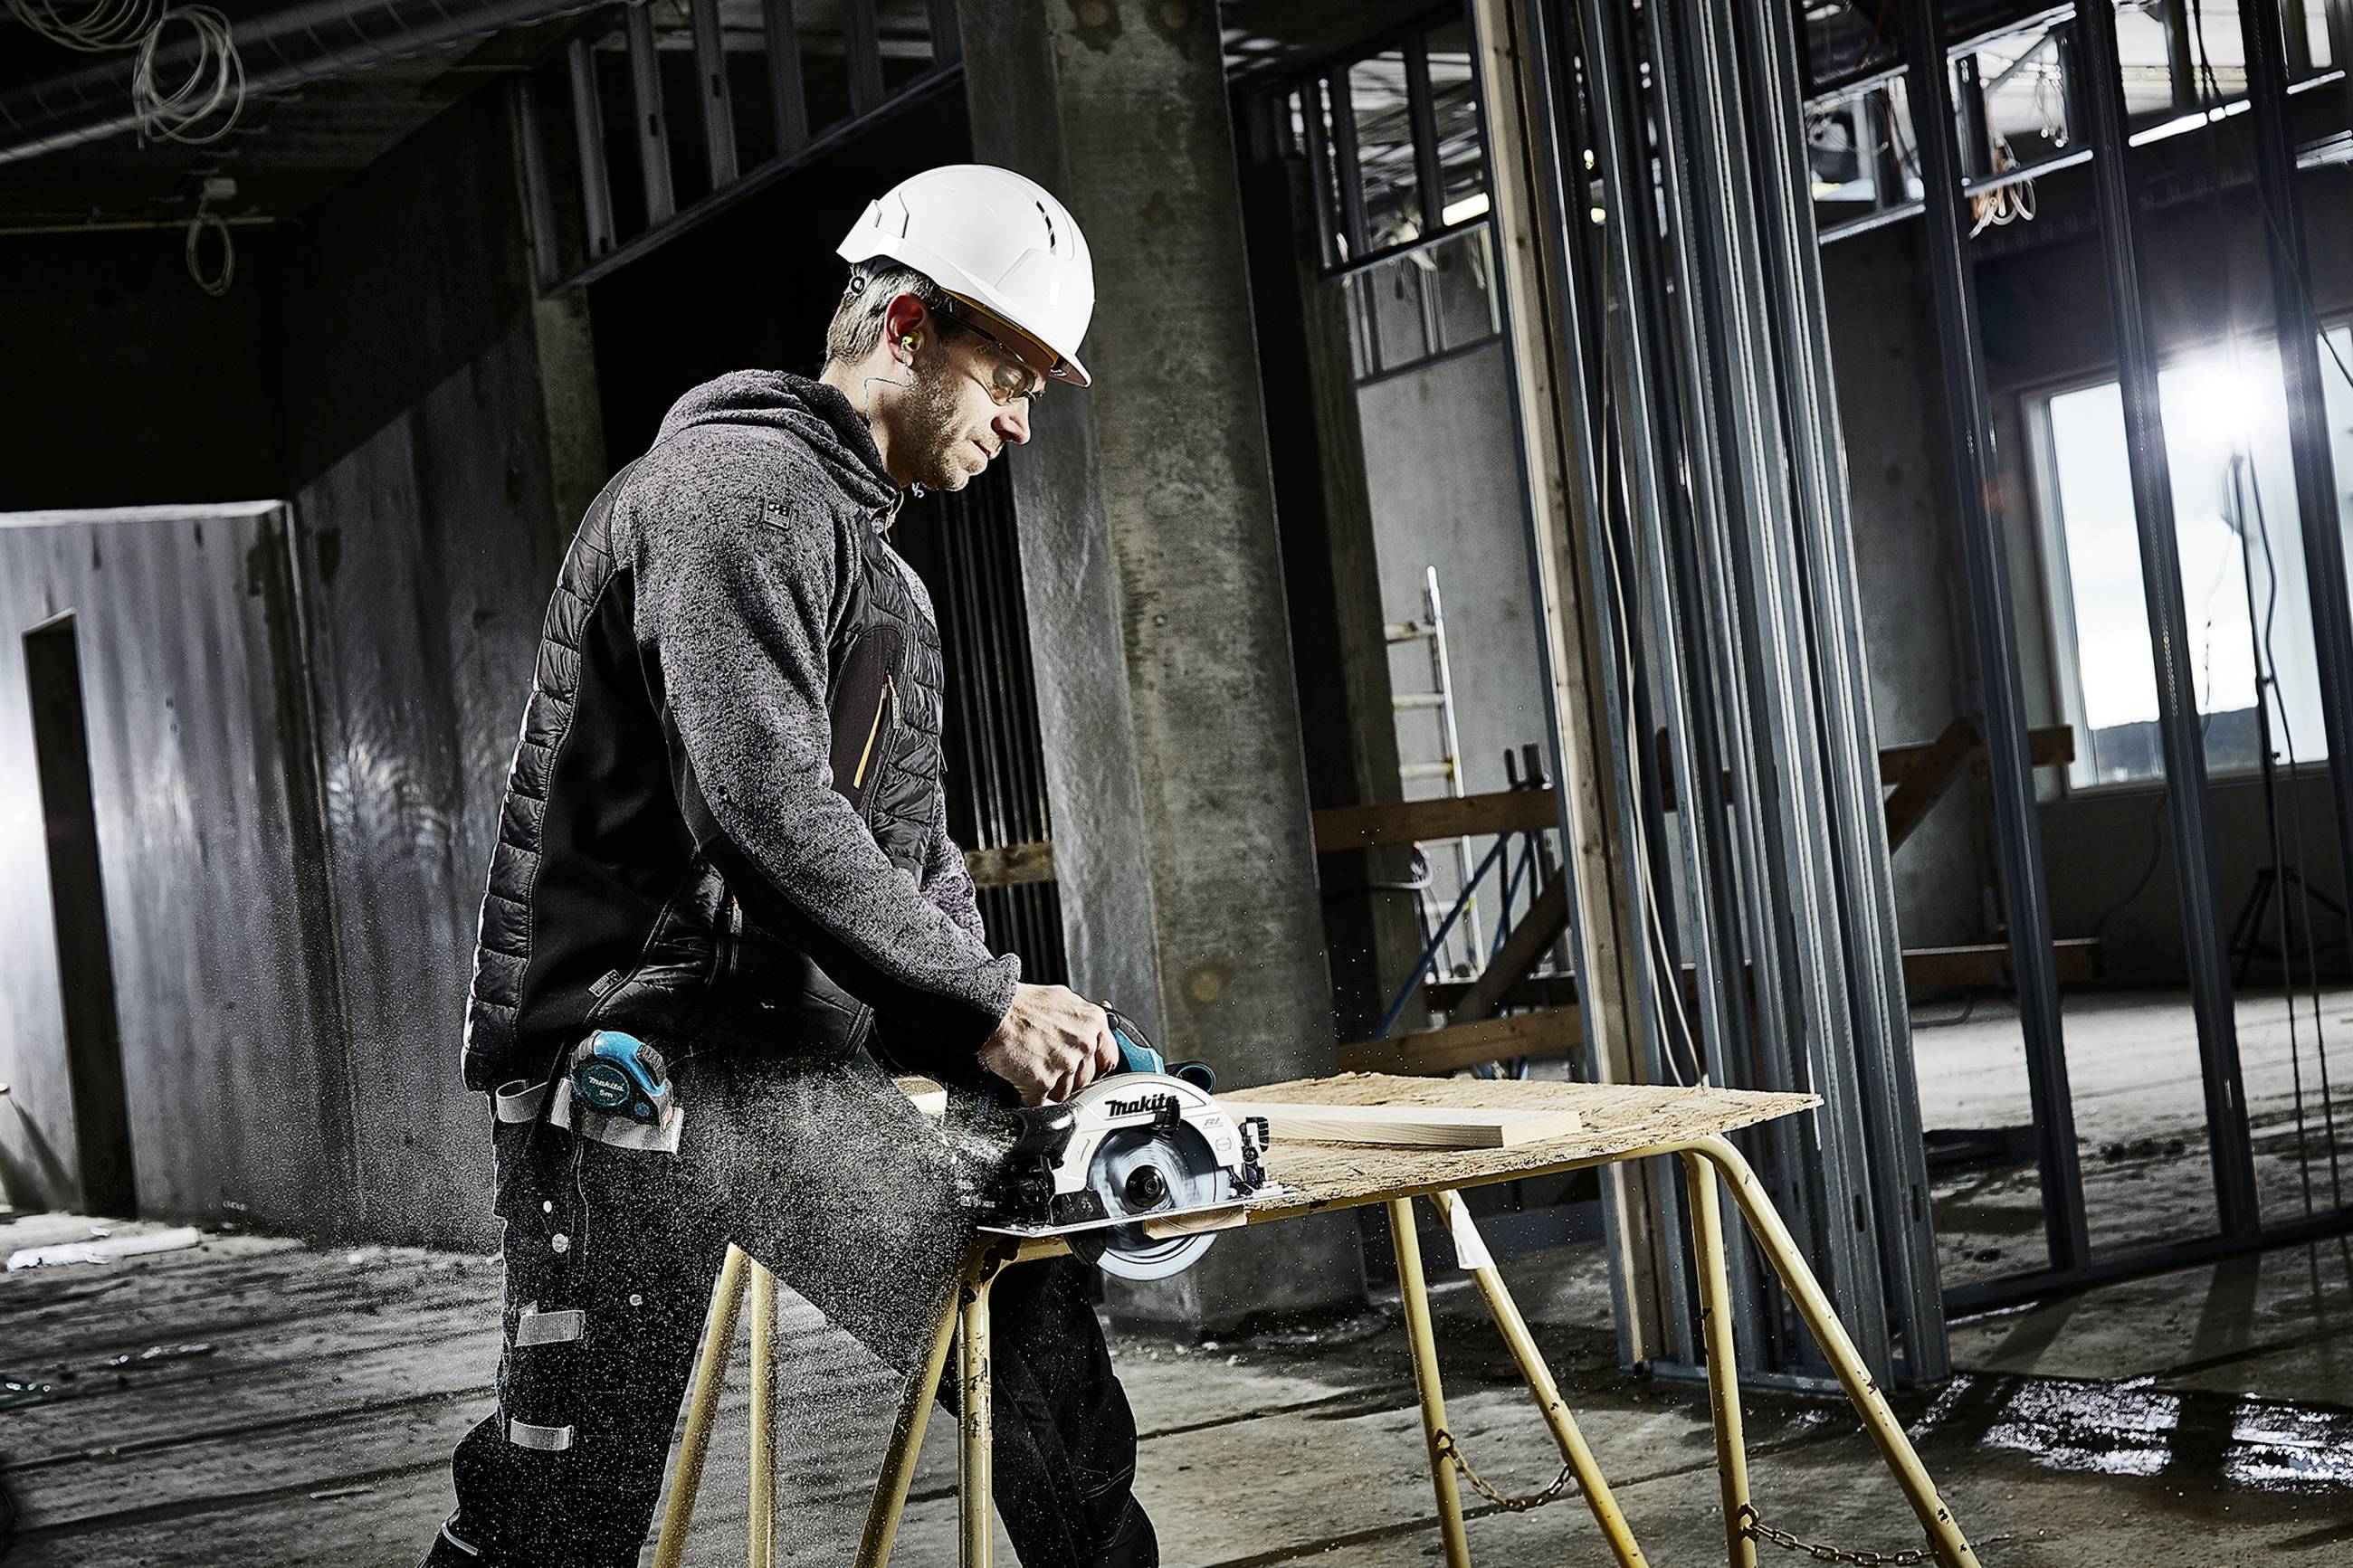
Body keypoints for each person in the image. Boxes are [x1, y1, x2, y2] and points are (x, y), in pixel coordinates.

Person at [420, 164, 1157, 1568]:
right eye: (1009, 375)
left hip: (775, 1071)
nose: (1017, 419)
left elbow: (913, 860)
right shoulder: (732, 493)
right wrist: (990, 1006)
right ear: (909, 329)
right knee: (567, 1500)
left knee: (1023, 1331)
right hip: (629, 1067)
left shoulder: (893, 588)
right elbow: (763, 797)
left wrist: (999, 1015)